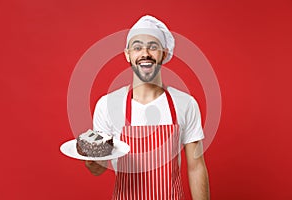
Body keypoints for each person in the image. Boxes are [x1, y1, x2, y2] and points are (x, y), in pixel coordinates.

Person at [85, 15, 210, 200]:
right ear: (128, 54)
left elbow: (196, 166)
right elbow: (97, 169)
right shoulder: (107, 105)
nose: (145, 53)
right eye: (137, 47)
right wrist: (91, 159)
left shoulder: (185, 104)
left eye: (153, 47)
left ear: (164, 54)